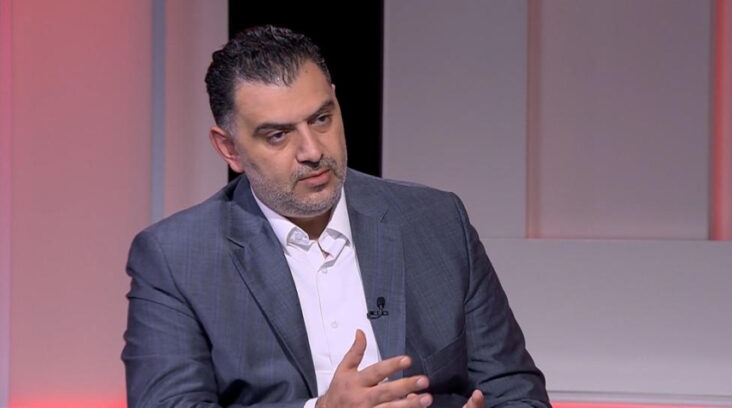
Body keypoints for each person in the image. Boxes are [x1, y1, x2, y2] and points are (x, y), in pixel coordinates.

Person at [122, 25, 549, 408]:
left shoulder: (436, 221)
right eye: (278, 135)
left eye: (322, 119)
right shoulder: (176, 258)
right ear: (229, 149)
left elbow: (516, 391)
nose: (312, 151)